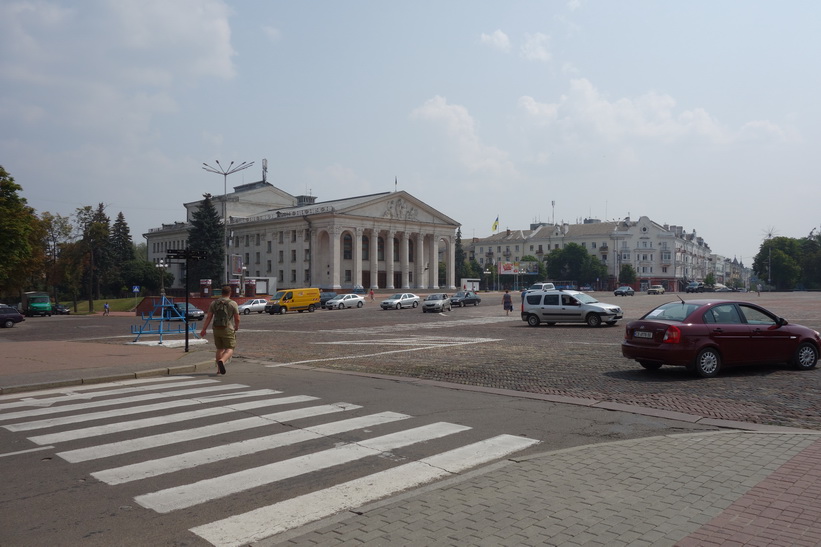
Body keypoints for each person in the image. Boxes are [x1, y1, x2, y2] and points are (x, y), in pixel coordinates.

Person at [200, 284, 240, 375]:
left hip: (216, 329)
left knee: (219, 349)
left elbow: (208, 317)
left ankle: (218, 369)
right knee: (230, 348)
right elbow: (237, 318)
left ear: (221, 293)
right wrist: (236, 326)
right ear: (230, 293)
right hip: (227, 328)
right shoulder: (233, 303)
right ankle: (222, 360)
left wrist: (204, 329)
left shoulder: (214, 303)